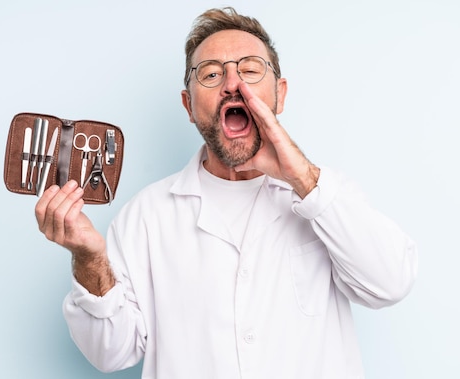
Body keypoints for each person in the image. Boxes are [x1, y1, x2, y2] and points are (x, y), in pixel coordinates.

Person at [35, 7, 417, 379]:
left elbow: (389, 283)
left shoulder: (330, 195)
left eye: (250, 69)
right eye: (212, 74)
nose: (233, 84)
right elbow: (110, 353)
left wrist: (302, 177)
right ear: (188, 105)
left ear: (279, 95)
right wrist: (88, 260)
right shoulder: (146, 217)